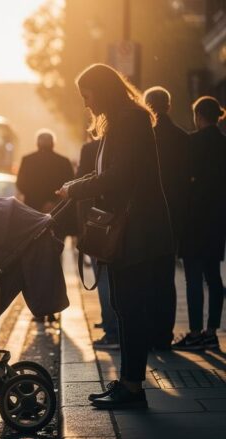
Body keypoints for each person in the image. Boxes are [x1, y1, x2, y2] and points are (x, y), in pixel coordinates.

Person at [56, 64, 174, 410]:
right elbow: (107, 172)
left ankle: (133, 387)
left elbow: (119, 176)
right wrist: (75, 188)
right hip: (130, 229)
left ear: (101, 89)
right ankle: (128, 381)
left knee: (131, 307)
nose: (85, 104)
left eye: (86, 95)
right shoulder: (118, 121)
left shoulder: (131, 120)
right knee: (125, 306)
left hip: (139, 231)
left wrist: (74, 189)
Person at [173, 96, 226, 351]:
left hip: (193, 219)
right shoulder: (223, 143)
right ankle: (212, 331)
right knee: (214, 277)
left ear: (198, 116)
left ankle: (194, 332)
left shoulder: (191, 143)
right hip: (216, 220)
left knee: (193, 278)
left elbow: (182, 181)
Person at [142, 86, 190, 350]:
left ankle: (149, 331)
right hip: (174, 216)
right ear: (169, 106)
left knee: (146, 276)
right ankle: (164, 334)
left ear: (148, 106)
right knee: (166, 277)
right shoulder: (183, 138)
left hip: (147, 215)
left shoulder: (145, 137)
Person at [76, 138, 119, 350]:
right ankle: (117, 327)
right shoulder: (123, 144)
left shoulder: (89, 148)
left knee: (102, 278)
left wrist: (81, 225)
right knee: (116, 280)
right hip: (119, 222)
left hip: (97, 222)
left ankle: (111, 331)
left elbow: (83, 184)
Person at [16, 129, 75, 213]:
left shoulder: (27, 160)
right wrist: (54, 201)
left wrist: (33, 199)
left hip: (31, 207)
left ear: (36, 144)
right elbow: (69, 183)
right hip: (56, 208)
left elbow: (20, 183)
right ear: (53, 144)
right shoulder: (63, 161)